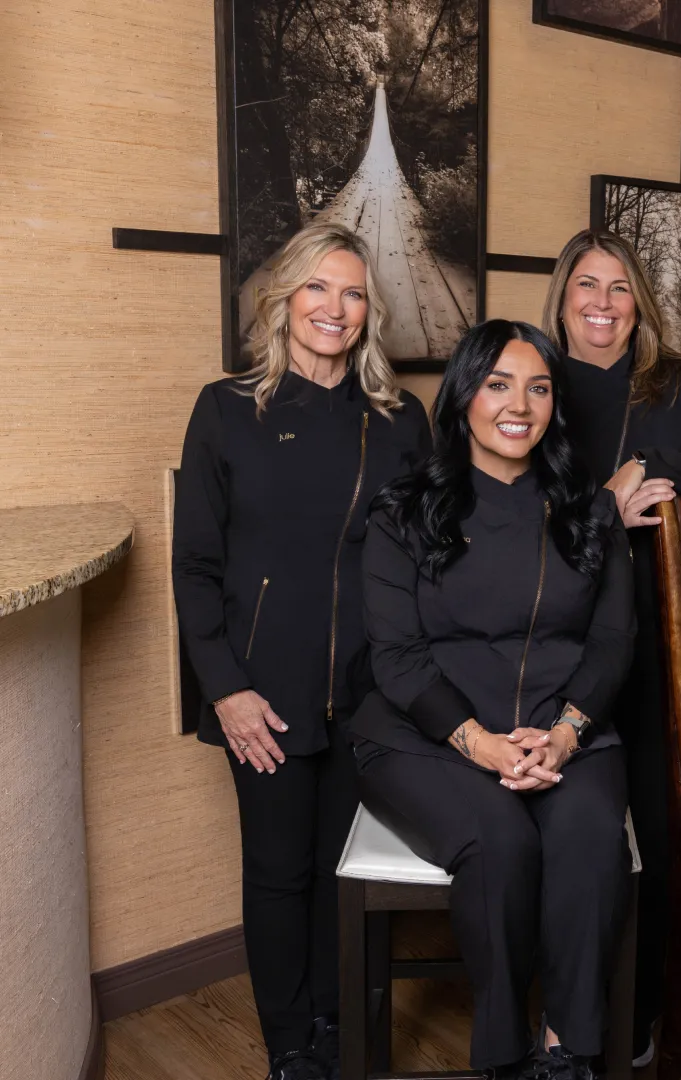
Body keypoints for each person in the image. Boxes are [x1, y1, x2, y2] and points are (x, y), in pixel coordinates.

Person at [173, 222, 431, 1080]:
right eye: (318, 288)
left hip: (369, 694)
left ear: (369, 311)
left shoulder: (399, 422)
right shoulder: (226, 410)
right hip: (262, 694)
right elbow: (195, 566)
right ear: (283, 300)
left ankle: (333, 1023)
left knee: (340, 871)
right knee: (280, 873)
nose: (335, 307)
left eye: (353, 292)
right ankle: (291, 1044)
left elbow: (429, 560)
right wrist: (225, 690)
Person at [348, 320, 636, 1080]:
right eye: (499, 384)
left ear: (555, 406)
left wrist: (566, 735)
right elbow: (399, 659)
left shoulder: (590, 512)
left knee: (587, 836)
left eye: (539, 388)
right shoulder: (404, 510)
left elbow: (611, 644)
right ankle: (504, 1053)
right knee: (499, 840)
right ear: (464, 394)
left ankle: (568, 1047)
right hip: (427, 735)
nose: (520, 404)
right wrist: (479, 742)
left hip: (565, 728)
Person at [540, 229, 681, 1064]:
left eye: (619, 289)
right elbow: (494, 498)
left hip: (652, 651)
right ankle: (558, 1013)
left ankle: (635, 1015)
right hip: (545, 641)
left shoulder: (675, 386)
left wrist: (650, 465)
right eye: (586, 288)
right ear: (563, 298)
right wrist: (605, 505)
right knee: (561, 835)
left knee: (649, 837)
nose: (602, 306)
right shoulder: (532, 377)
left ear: (639, 303)